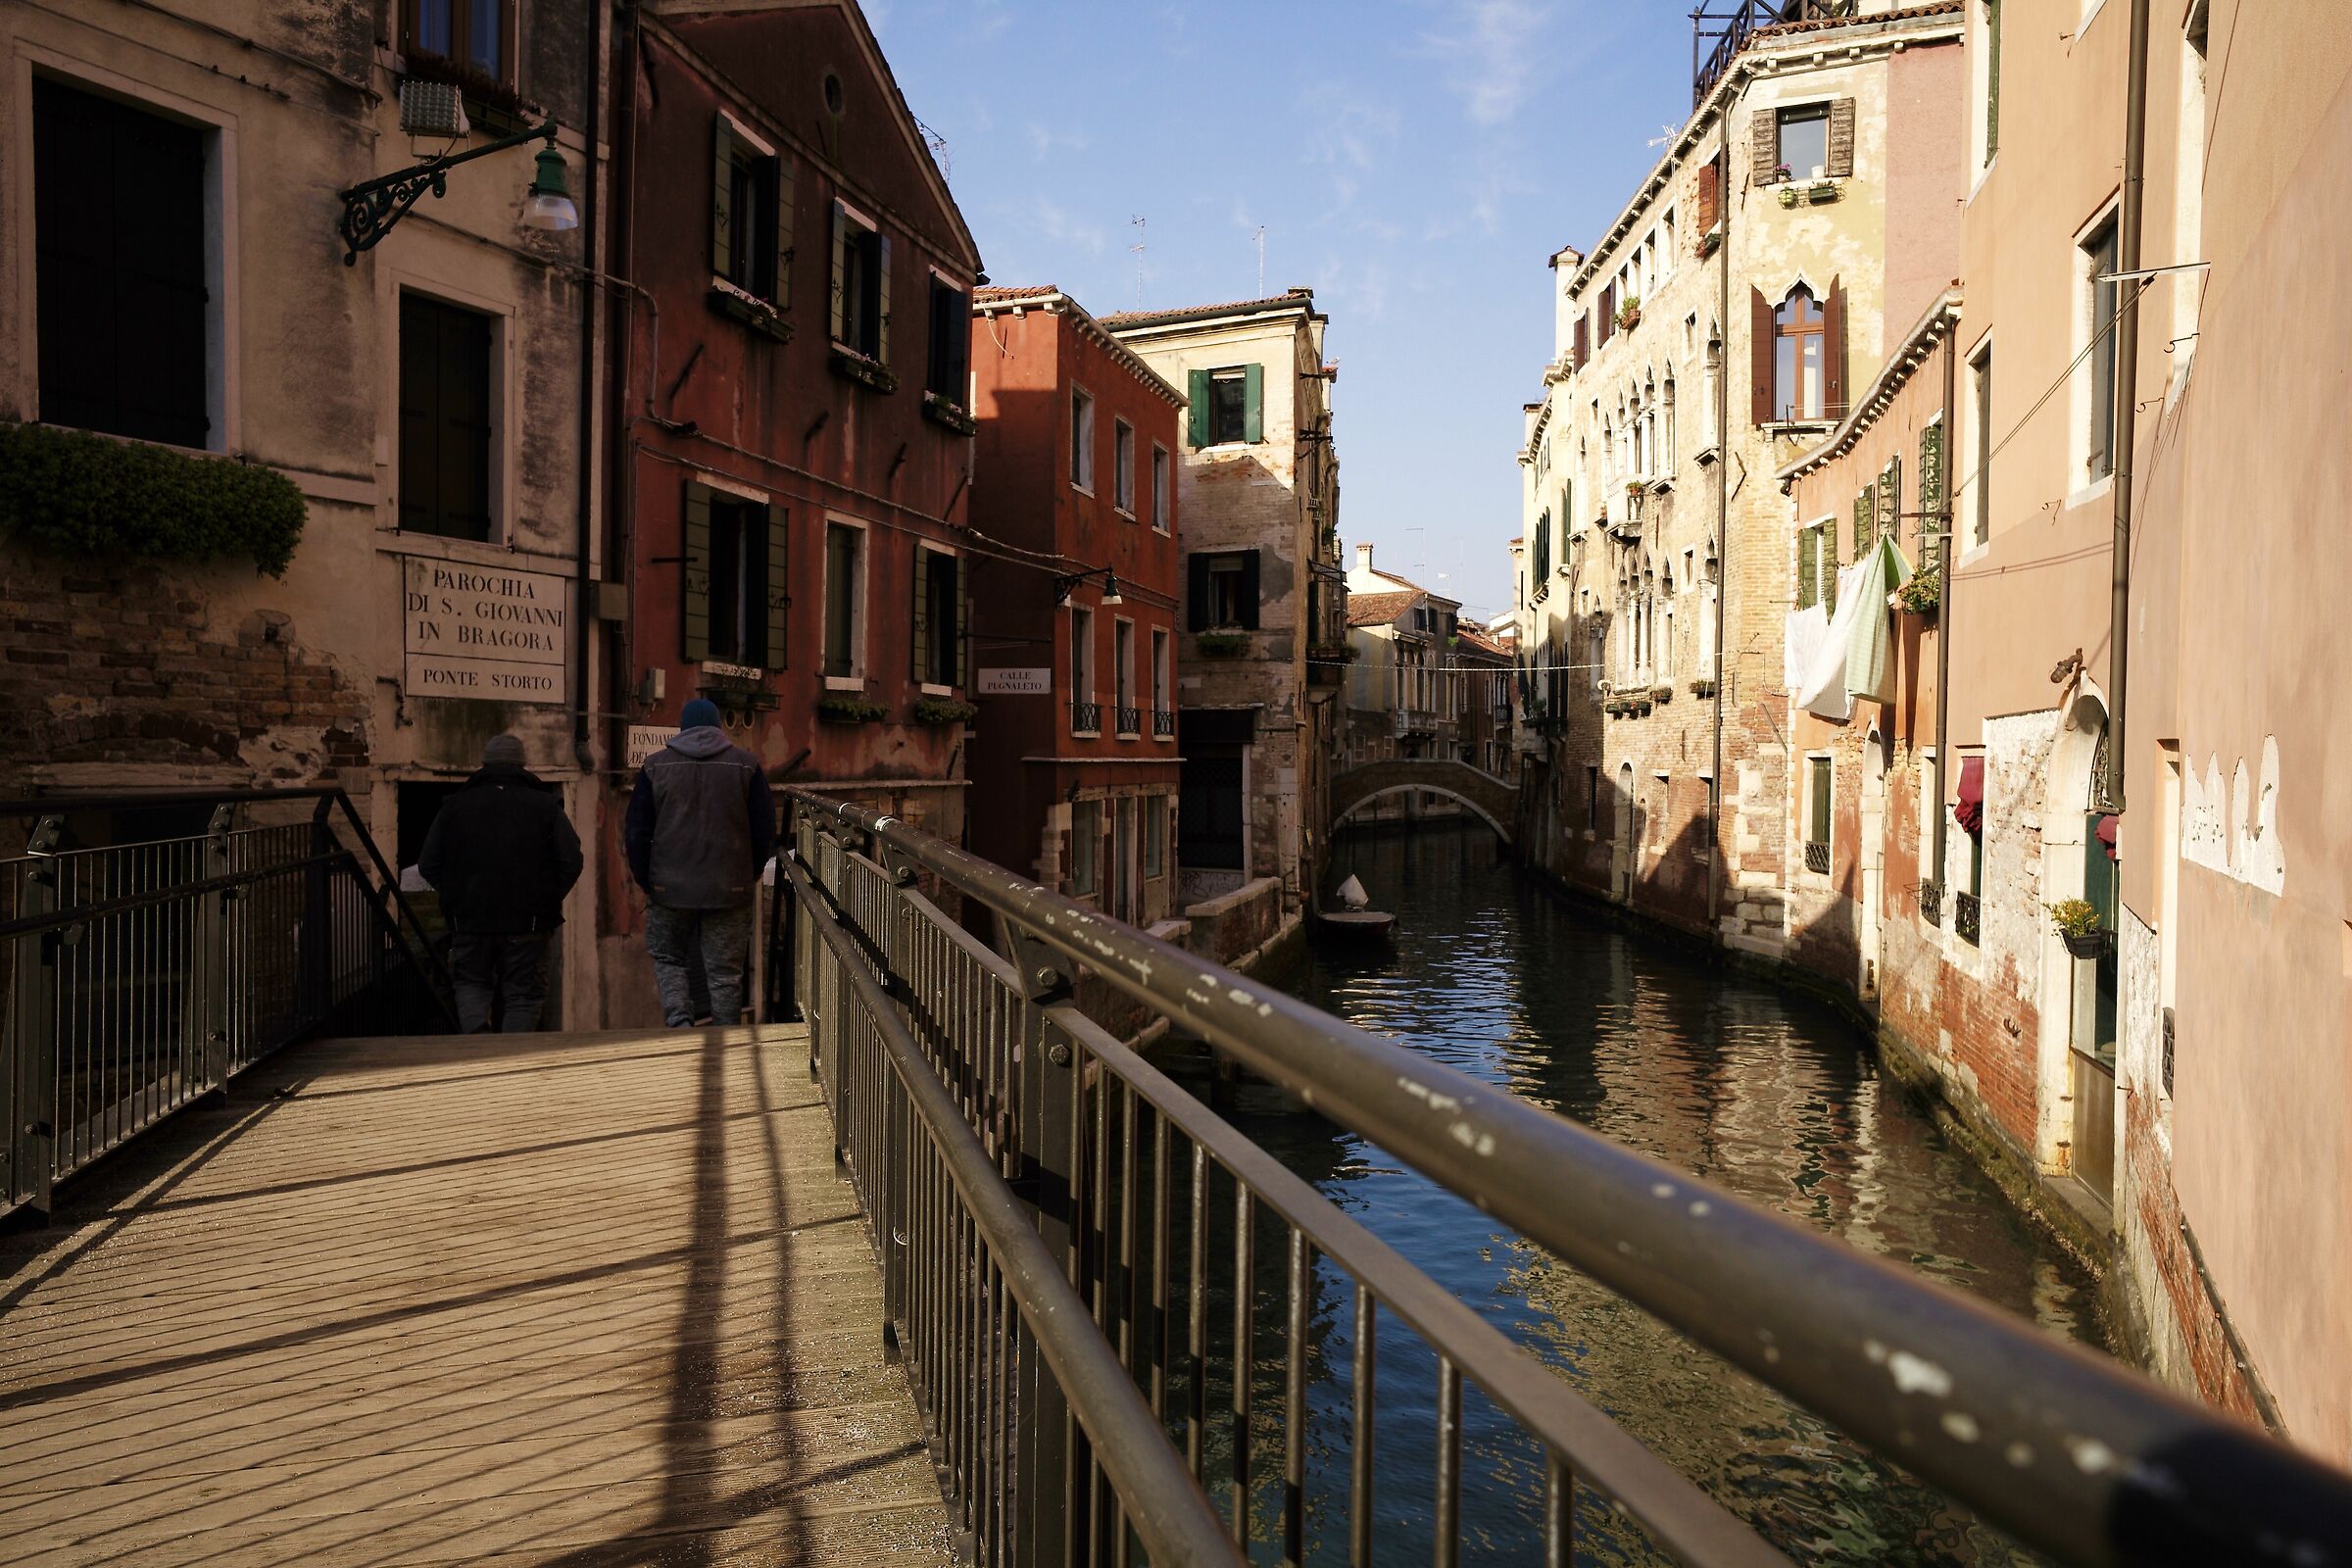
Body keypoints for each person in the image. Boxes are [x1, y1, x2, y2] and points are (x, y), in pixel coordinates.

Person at [624, 698, 775, 1027]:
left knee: (669, 958)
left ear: (682, 727)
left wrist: (647, 881)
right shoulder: (746, 766)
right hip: (729, 887)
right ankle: (726, 1038)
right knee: (724, 974)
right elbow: (764, 831)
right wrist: (746, 875)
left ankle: (680, 1027)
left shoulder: (654, 767)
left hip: (668, 888)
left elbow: (636, 833)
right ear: (718, 726)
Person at [419, 734, 583, 1033]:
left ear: (485, 764)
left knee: (471, 983)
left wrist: (456, 895)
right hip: (529, 920)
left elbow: (428, 863)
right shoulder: (545, 806)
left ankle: (477, 1043)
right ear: (522, 764)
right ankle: (511, 1055)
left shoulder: (454, 807)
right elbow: (571, 860)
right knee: (524, 993)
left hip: (469, 917)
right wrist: (546, 897)